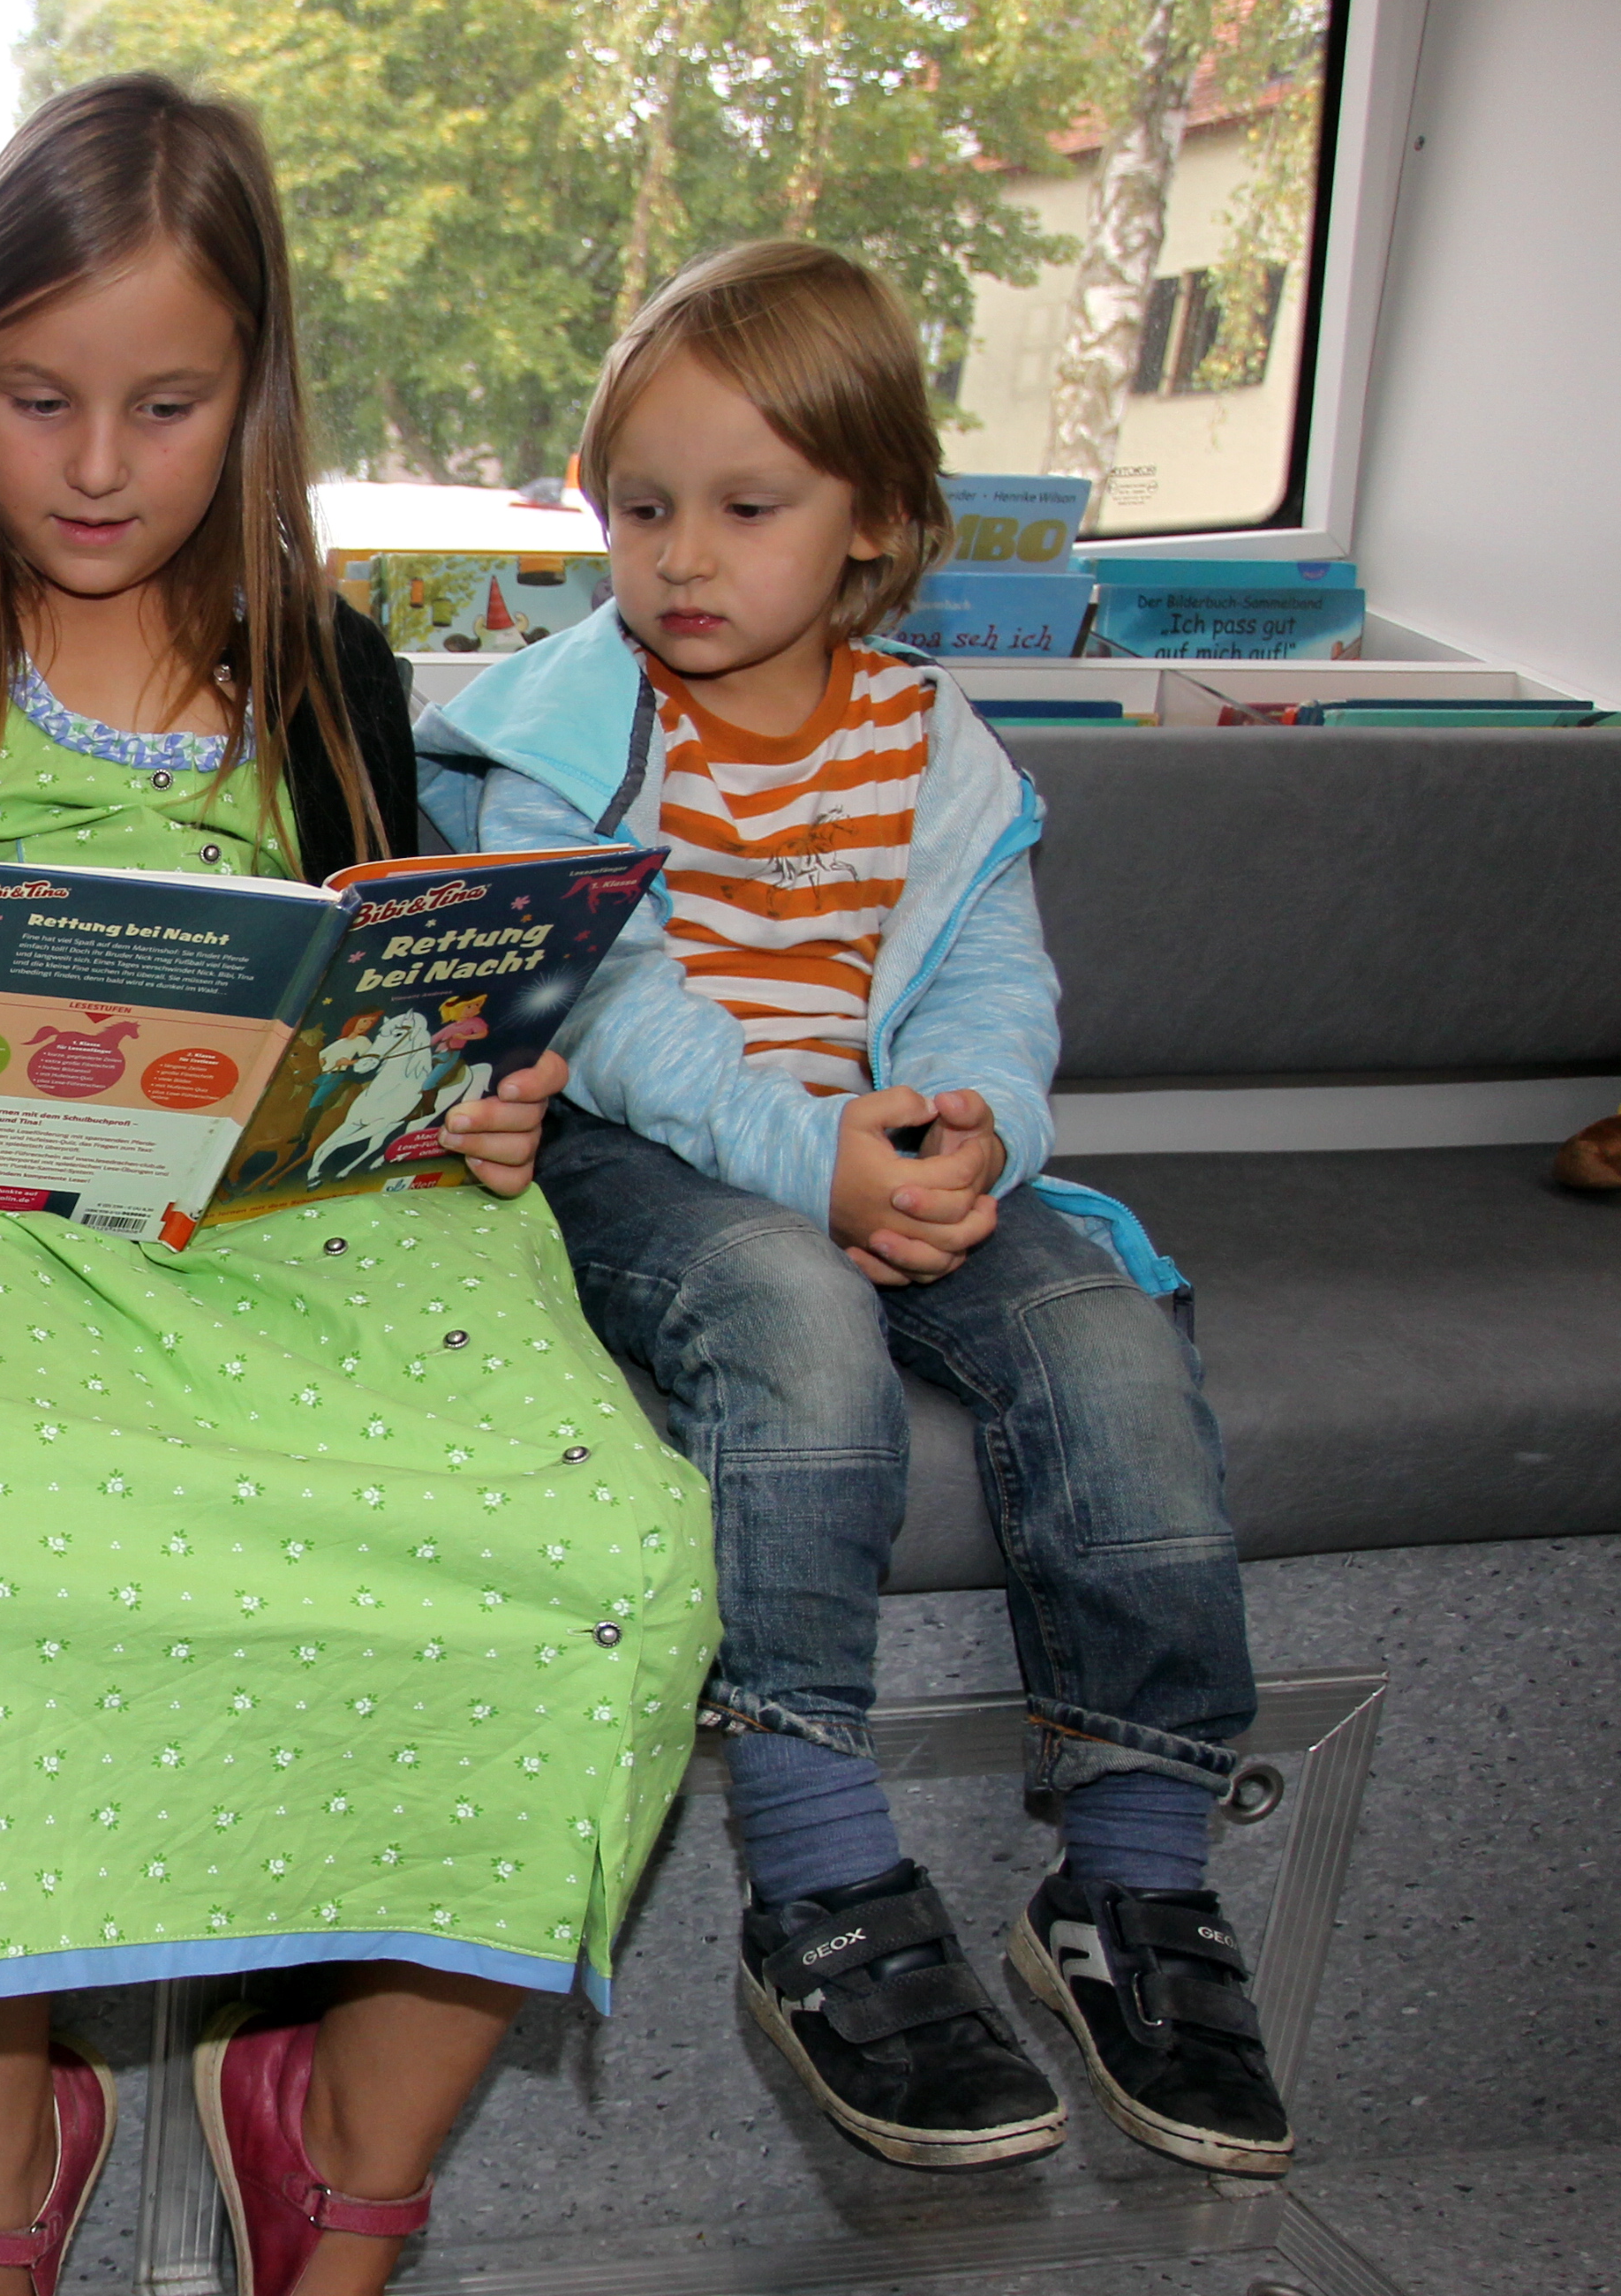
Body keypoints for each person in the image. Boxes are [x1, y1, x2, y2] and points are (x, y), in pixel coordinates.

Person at [0, 75, 718, 2296]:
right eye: (37, 398)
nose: (93, 463)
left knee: (614, 1555)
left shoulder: (329, 669)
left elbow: (394, 993)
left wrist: (480, 1100)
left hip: (315, 1251)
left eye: (164, 406)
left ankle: (340, 2195)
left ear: (252, 390)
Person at [418, 240, 1295, 2186]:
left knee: (1105, 1340)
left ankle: (1131, 1878)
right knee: (799, 1330)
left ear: (880, 523)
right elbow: (614, 1010)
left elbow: (995, 981)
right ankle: (817, 1876)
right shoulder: (566, 729)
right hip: (644, 1166)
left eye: (749, 508)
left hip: (880, 1140)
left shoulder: (936, 746)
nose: (681, 558)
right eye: (642, 510)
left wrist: (970, 1131)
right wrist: (817, 1171)